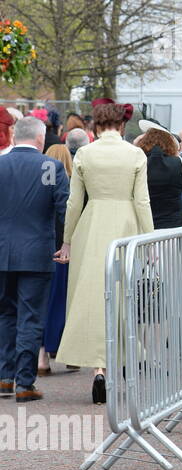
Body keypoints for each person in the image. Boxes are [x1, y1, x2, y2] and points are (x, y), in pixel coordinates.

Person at [56, 101, 154, 404]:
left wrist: (67, 241)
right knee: (122, 294)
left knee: (91, 296)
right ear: (122, 126)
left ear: (95, 127)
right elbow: (142, 202)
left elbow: (74, 204)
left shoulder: (85, 153)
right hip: (125, 226)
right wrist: (149, 240)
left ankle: (97, 368)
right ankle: (115, 364)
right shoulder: (135, 154)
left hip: (92, 224)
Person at [0, 118, 69, 402]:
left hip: (2, 251)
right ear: (41, 139)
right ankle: (24, 383)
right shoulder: (49, 167)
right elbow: (64, 208)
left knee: (5, 314)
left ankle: (4, 377)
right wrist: (67, 243)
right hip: (37, 252)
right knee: (30, 316)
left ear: (15, 136)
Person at [36, 138, 76, 376]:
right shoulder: (71, 185)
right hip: (66, 250)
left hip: (44, 249)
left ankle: (41, 356)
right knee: (66, 304)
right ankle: (71, 354)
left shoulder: (37, 183)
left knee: (43, 304)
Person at [136, 124, 182, 229]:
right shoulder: (177, 163)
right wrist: (176, 155)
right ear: (169, 143)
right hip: (174, 225)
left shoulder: (139, 163)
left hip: (146, 226)